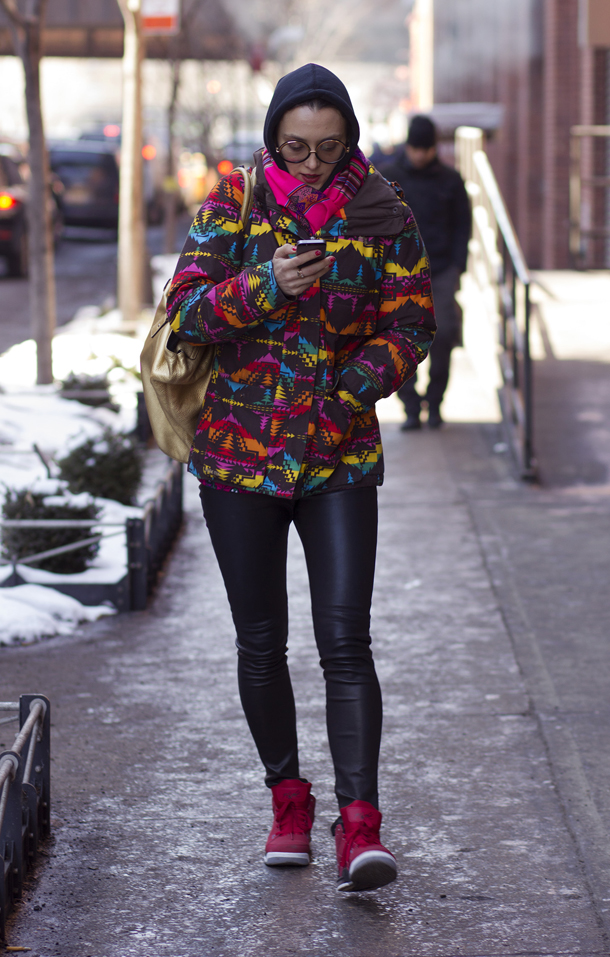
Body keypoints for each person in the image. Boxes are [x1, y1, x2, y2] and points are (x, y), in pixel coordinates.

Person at [166, 63, 435, 893]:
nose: (313, 163)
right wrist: (263, 286)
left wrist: (353, 390)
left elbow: (414, 319)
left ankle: (360, 823)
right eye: (296, 147)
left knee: (345, 641)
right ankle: (288, 798)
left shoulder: (384, 210)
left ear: (350, 136)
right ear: (273, 137)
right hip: (239, 460)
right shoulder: (234, 204)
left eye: (328, 147)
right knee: (260, 642)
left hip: (339, 457)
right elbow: (186, 310)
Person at [382, 115, 471, 429]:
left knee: (444, 335)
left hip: (442, 270)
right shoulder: (389, 178)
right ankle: (410, 407)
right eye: (416, 148)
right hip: (400, 273)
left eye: (426, 149)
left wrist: (459, 266)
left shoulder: (451, 180)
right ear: (408, 145)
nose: (420, 155)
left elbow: (463, 225)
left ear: (435, 147)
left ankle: (435, 403)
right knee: (399, 341)